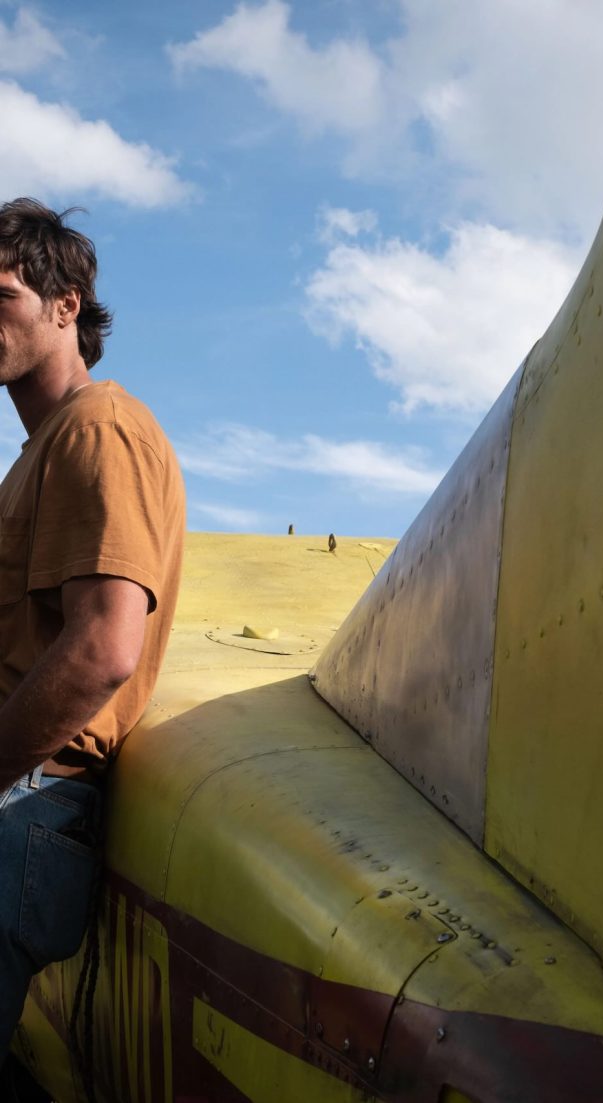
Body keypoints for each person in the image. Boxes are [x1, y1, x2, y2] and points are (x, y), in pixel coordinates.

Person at [0, 198, 185, 1089]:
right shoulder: (40, 449)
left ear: (64, 303)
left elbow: (106, 644)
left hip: (25, 803)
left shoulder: (97, 425)